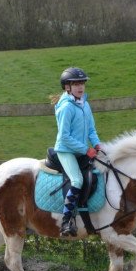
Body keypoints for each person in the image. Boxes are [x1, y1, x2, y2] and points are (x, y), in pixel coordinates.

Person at [53, 67, 101, 237]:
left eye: (82, 83)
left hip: (81, 150)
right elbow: (64, 137)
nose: (80, 87)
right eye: (76, 84)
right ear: (67, 87)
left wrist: (97, 145)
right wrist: (85, 149)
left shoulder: (85, 104)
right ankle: (66, 222)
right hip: (66, 151)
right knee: (77, 180)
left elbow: (91, 130)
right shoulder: (66, 107)